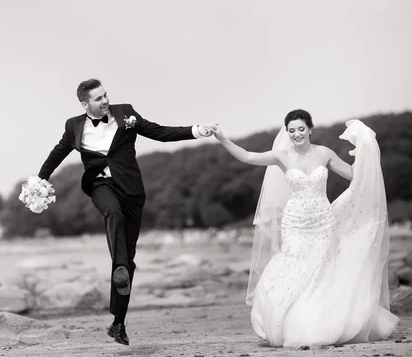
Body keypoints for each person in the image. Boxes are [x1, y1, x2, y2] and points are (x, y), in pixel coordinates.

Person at [37, 78, 214, 345]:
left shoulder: (126, 113)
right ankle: (119, 265)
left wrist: (197, 130)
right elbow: (58, 153)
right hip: (99, 184)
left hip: (132, 189)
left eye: (106, 95)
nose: (105, 100)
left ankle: (118, 322)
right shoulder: (73, 126)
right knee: (113, 214)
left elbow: (159, 132)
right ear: (85, 104)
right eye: (98, 98)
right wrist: (41, 180)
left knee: (128, 259)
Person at [208, 109, 399, 348]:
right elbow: (247, 156)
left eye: (301, 129)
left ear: (310, 129)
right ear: (287, 132)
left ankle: (318, 323)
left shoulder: (324, 153)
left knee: (321, 269)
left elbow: (353, 174)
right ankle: (289, 323)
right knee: (296, 265)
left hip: (322, 220)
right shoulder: (282, 156)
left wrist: (365, 148)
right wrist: (223, 138)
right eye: (291, 130)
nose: (297, 134)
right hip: (295, 221)